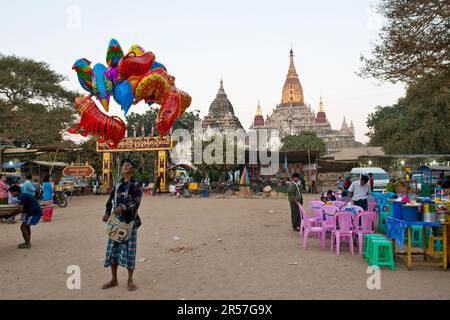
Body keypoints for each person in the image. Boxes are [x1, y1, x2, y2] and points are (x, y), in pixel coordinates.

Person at [102, 159, 143, 292]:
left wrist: (123, 208)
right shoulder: (118, 184)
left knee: (130, 251)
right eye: (124, 164)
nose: (126, 166)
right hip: (115, 222)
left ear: (132, 168)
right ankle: (114, 279)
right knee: (113, 249)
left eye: (129, 164)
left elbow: (136, 202)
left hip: (129, 222)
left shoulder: (136, 184)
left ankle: (130, 279)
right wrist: (107, 213)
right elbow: (111, 200)